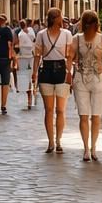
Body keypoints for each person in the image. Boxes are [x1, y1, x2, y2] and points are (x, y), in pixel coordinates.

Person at [72, 10, 102, 162]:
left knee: (95, 116)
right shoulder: (77, 39)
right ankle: (87, 148)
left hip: (97, 79)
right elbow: (71, 56)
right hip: (82, 79)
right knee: (85, 116)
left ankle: (92, 147)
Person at [34, 8, 75, 154]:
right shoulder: (41, 35)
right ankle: (51, 141)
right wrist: (34, 73)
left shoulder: (67, 34)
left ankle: (58, 140)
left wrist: (69, 71)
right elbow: (37, 55)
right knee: (49, 110)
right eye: (60, 16)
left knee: (60, 110)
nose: (62, 18)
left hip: (61, 70)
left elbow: (69, 55)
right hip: (46, 71)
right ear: (55, 18)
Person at [16, 19, 37, 109]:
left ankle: (30, 98)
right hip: (24, 56)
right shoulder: (19, 32)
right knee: (25, 77)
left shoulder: (28, 31)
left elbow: (33, 39)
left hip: (29, 56)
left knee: (30, 76)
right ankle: (27, 98)